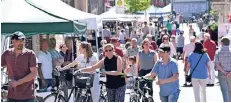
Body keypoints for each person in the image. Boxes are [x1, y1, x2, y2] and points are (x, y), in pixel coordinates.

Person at [1, 31, 37, 102]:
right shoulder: (7, 54)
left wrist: (18, 82)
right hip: (11, 95)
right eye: (18, 40)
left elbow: (34, 73)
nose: (21, 42)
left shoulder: (30, 54)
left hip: (27, 96)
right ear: (13, 41)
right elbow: (2, 67)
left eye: (22, 40)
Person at [214, 37, 231, 102]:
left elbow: (217, 64)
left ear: (222, 43)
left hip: (222, 74)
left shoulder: (218, 52)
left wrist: (224, 72)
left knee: (224, 91)